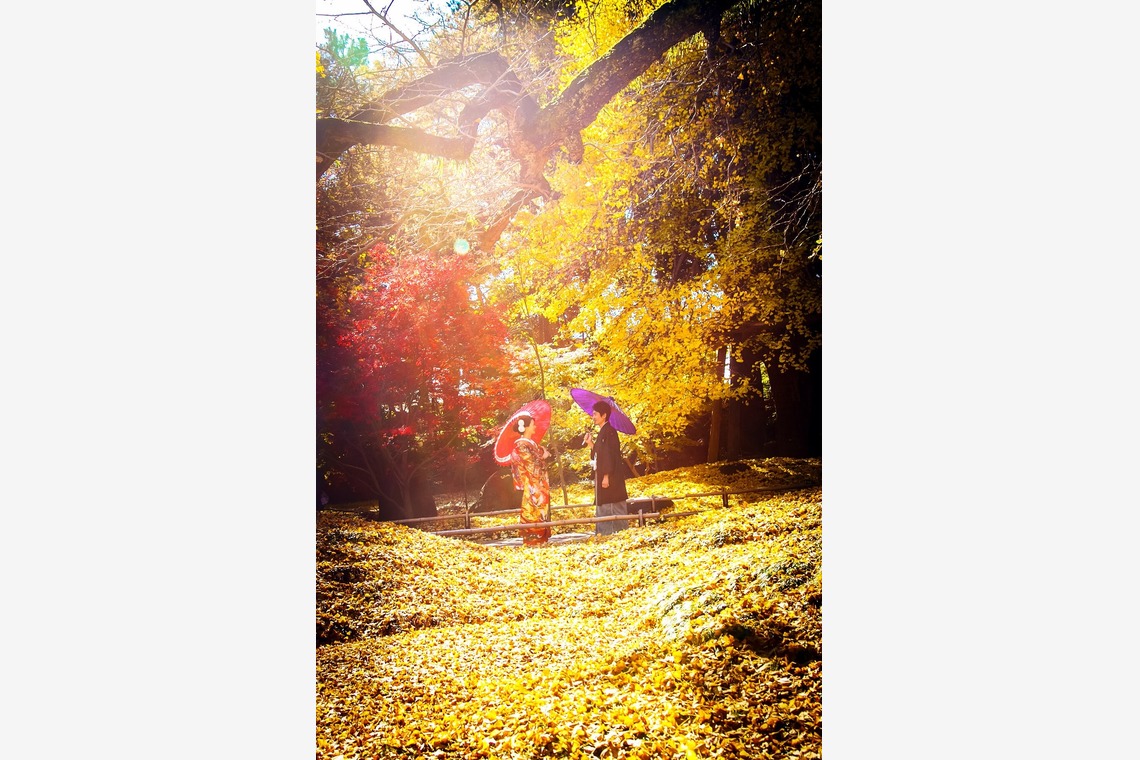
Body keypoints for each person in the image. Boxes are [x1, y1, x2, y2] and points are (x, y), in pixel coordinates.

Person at [508, 413, 552, 546]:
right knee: (534, 509)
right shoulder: (521, 445)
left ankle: (541, 538)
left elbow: (536, 459)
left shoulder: (530, 444)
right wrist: (543, 456)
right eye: (533, 424)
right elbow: (532, 465)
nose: (535, 427)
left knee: (541, 509)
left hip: (539, 483)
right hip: (532, 484)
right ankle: (533, 539)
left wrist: (542, 453)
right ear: (526, 427)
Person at [587, 400, 629, 536]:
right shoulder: (603, 432)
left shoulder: (610, 432)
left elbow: (609, 455)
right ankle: (605, 532)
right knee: (605, 502)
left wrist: (606, 476)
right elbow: (600, 453)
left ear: (604, 415)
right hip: (604, 475)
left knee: (611, 502)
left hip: (610, 477)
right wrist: (590, 443)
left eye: (595, 414)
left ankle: (612, 532)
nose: (593, 416)